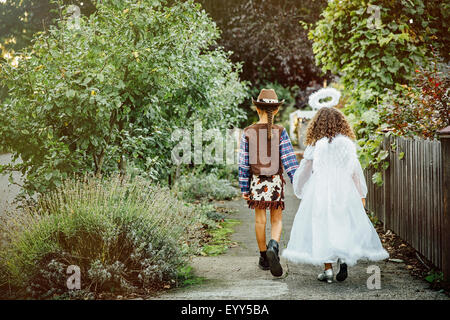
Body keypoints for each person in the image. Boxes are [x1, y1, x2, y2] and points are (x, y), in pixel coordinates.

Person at [282, 107, 389, 283]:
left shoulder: (315, 145)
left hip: (321, 190)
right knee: (342, 223)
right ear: (341, 123)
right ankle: (343, 260)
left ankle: (328, 270)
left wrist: (299, 187)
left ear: (317, 125)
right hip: (344, 188)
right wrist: (361, 194)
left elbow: (305, 169)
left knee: (323, 226)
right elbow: (355, 171)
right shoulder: (347, 144)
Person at [238, 89, 299, 277]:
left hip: (257, 182)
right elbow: (289, 160)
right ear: (276, 110)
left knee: (259, 219)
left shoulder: (248, 132)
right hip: (275, 182)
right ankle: (274, 245)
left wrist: (244, 187)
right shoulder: (280, 131)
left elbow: (243, 163)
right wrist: (298, 181)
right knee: (277, 219)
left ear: (257, 109)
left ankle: (264, 256)